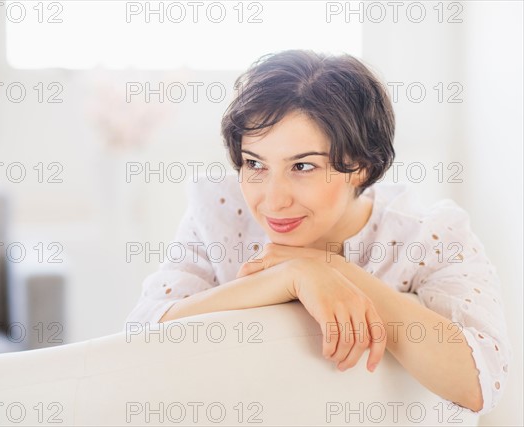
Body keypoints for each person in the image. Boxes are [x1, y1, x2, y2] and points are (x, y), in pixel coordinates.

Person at [124, 50, 511, 415]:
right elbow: (139, 338)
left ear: (360, 165)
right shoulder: (220, 210)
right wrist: (294, 276)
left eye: (303, 167)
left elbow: (483, 383)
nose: (273, 201)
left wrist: (336, 272)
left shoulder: (428, 236)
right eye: (255, 164)